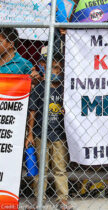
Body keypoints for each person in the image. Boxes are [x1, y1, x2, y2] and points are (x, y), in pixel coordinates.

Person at [26, 53, 72, 210]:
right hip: (40, 133)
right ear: (45, 68)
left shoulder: (66, 89)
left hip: (59, 133)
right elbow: (32, 111)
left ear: (62, 70)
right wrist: (30, 134)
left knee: (60, 168)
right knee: (41, 168)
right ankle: (39, 198)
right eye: (51, 68)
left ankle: (63, 199)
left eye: (58, 68)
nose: (54, 71)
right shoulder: (40, 88)